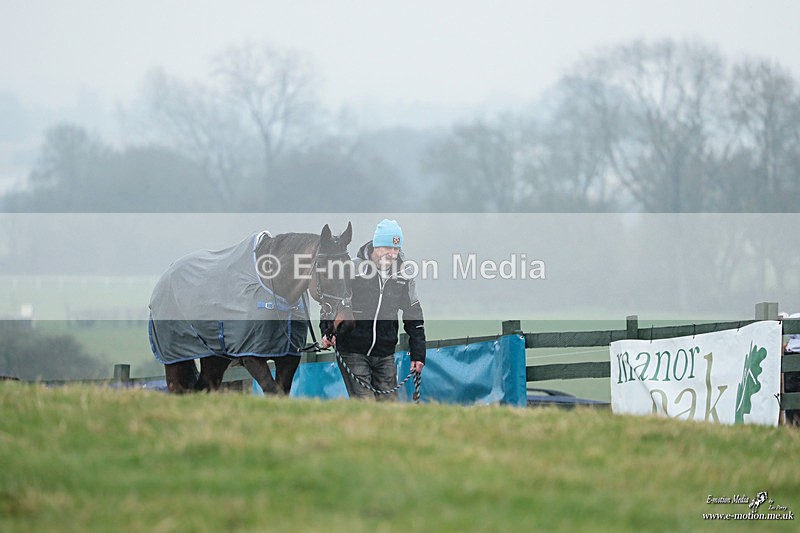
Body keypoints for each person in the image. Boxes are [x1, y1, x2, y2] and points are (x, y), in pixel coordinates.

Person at [320, 219, 426, 400]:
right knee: (365, 405)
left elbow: (413, 314)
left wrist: (418, 353)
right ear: (376, 246)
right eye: (387, 248)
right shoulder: (352, 268)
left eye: (396, 249)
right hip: (352, 351)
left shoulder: (404, 274)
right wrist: (326, 330)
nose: (392, 254)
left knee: (389, 410)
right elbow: (331, 303)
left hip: (385, 353)